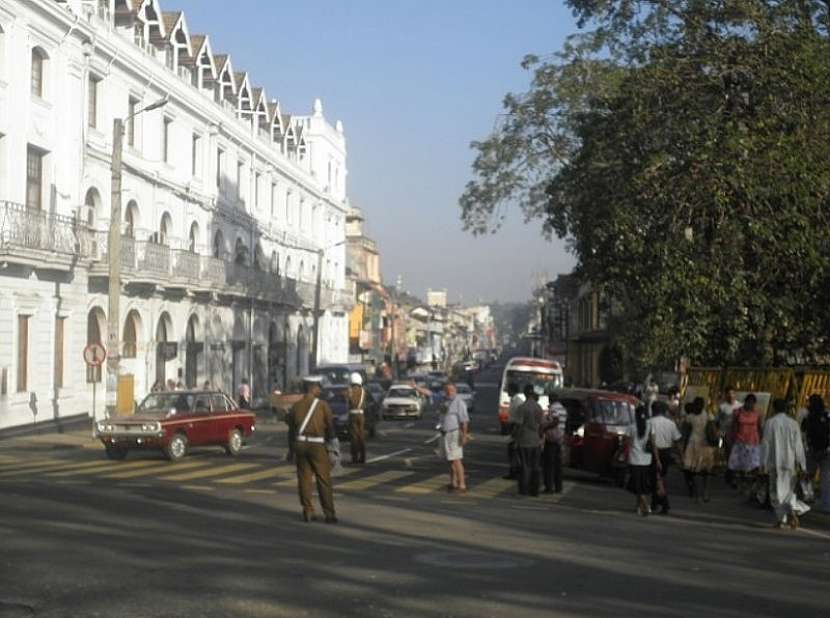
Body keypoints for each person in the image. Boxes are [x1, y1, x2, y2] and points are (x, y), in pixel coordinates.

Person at [288, 376, 337, 523]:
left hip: (300, 445)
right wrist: (333, 445)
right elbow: (330, 426)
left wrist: (291, 450)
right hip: (317, 446)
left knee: (304, 479)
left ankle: (308, 511)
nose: (320, 390)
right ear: (313, 388)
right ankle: (329, 514)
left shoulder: (296, 406)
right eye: (318, 387)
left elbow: (291, 431)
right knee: (323, 479)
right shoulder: (322, 405)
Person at [762, 399, 809, 529]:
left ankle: (783, 518)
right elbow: (799, 446)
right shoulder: (793, 424)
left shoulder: (770, 423)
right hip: (790, 464)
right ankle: (788, 515)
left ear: (774, 408)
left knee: (775, 492)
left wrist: (762, 464)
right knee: (788, 492)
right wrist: (803, 466)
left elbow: (765, 445)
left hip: (774, 463)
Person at [728, 393, 763, 496]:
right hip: (740, 441)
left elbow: (759, 427)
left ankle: (750, 486)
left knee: (753, 466)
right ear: (746, 402)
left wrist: (762, 440)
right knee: (740, 466)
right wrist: (731, 438)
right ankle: (741, 484)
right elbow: (733, 426)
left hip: (753, 442)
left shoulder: (757, 414)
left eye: (753, 403)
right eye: (749, 402)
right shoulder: (738, 412)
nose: (750, 405)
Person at [626, 405, 659, 516]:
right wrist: (657, 459)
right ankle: (639, 507)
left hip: (634, 459)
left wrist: (621, 454)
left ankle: (645, 504)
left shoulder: (631, 427)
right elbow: (653, 444)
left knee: (637, 484)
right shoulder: (650, 426)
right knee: (643, 484)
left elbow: (628, 444)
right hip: (647, 460)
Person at [650, 400, 682, 514]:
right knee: (659, 478)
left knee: (656, 479)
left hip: (654, 452)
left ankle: (664, 503)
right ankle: (654, 503)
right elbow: (677, 441)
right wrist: (681, 455)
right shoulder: (671, 423)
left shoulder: (650, 422)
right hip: (666, 452)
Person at [682, 398, 716, 502]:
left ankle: (703, 492)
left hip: (702, 445)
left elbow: (712, 431)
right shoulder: (691, 417)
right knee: (692, 470)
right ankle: (698, 491)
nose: (698, 407)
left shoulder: (706, 416)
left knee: (705, 470)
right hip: (697, 445)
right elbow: (686, 432)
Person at [439, 383, 470, 493]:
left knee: (456, 460)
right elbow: (430, 394)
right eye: (447, 390)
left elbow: (464, 421)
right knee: (450, 460)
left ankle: (462, 485)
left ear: (455, 391)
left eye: (451, 390)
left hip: (454, 433)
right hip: (445, 433)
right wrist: (416, 387)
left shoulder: (459, 402)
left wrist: (465, 435)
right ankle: (453, 483)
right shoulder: (445, 400)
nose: (449, 392)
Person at [802, 394, 830, 513]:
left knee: (808, 476)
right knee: (825, 479)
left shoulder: (807, 416)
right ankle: (827, 504)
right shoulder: (827, 415)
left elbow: (803, 432)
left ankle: (806, 498)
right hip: (826, 451)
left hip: (812, 450)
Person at [514, 384, 544, 497]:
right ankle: (534, 490)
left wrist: (515, 439)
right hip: (536, 441)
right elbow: (542, 425)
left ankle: (524, 489)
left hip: (524, 440)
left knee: (525, 466)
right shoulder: (538, 407)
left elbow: (518, 426)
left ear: (526, 394)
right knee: (535, 466)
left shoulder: (522, 407)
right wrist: (540, 438)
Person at [718, 386, 742, 487]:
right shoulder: (723, 407)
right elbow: (719, 420)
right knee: (729, 454)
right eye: (728, 393)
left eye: (732, 393)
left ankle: (732, 474)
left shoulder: (740, 406)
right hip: (726, 433)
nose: (730, 395)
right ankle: (730, 474)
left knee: (736, 454)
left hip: (738, 433)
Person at [540, 395, 564, 494]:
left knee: (549, 465)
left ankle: (549, 487)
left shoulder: (554, 408)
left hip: (552, 440)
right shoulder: (563, 408)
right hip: (559, 440)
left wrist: (544, 428)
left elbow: (555, 420)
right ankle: (558, 487)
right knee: (557, 466)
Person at [502, 383, 524, 480]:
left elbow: (519, 419)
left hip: (516, 427)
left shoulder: (518, 402)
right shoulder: (513, 401)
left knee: (514, 452)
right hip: (512, 427)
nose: (507, 392)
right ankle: (513, 471)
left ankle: (516, 472)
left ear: (513, 390)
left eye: (509, 389)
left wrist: (515, 432)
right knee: (511, 452)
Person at [347, 372, 369, 465]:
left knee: (354, 437)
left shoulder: (350, 390)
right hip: (361, 415)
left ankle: (355, 457)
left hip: (353, 415)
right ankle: (363, 457)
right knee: (361, 436)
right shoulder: (364, 391)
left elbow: (349, 401)